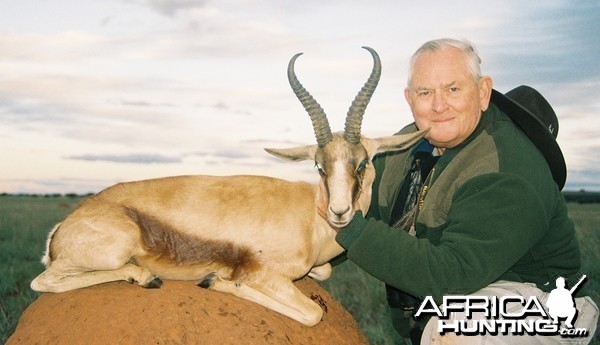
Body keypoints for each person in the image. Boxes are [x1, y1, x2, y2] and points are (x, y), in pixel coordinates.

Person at [331, 38, 598, 344]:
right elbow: (357, 210)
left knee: (457, 331)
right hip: (445, 307)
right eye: (425, 92)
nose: (439, 104)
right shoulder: (403, 146)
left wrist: (348, 229)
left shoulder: (509, 165)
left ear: (483, 94)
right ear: (409, 98)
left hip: (534, 305)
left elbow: (453, 275)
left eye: (453, 89)